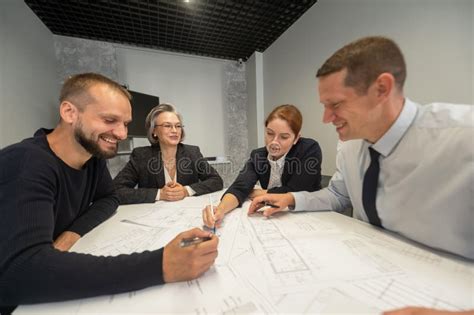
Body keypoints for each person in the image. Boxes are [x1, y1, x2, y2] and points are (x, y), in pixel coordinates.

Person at [249, 36, 472, 314]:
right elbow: (338, 194)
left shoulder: (465, 139)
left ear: (381, 89)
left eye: (336, 105)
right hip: (368, 275)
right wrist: (292, 199)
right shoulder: (350, 144)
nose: (326, 118)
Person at [0, 73, 218, 308]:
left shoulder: (93, 159)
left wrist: (74, 232)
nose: (122, 134)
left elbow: (109, 197)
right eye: (109, 120)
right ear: (69, 112)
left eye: (124, 124)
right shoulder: (25, 162)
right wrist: (161, 264)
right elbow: (21, 273)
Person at [203, 104, 322, 228]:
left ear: (296, 138)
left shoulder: (309, 149)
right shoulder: (258, 155)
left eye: (284, 137)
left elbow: (298, 191)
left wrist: (258, 193)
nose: (274, 142)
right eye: (270, 133)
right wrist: (220, 210)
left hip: (308, 215)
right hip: (273, 216)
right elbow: (240, 187)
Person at [113, 103, 223, 204]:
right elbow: (116, 190)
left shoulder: (192, 152)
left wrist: (186, 190)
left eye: (178, 126)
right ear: (154, 131)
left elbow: (216, 181)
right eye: (167, 126)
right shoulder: (141, 155)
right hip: (153, 218)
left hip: (186, 214)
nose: (174, 130)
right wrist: (160, 194)